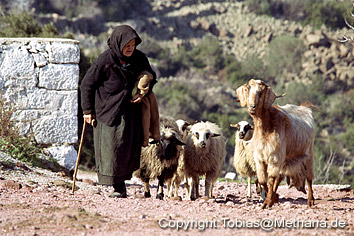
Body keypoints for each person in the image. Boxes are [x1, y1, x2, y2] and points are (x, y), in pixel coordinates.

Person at [80, 25, 157, 198]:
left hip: (130, 111)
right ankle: (117, 185)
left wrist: (142, 91)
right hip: (107, 110)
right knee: (111, 148)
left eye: (133, 44)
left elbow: (152, 77)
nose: (130, 48)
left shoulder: (139, 58)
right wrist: (87, 110)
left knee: (126, 148)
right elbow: (87, 84)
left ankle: (121, 184)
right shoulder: (105, 60)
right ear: (118, 43)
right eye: (127, 45)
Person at [131, 70, 160, 147]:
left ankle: (147, 138)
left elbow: (149, 75)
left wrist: (141, 92)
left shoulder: (140, 60)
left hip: (140, 101)